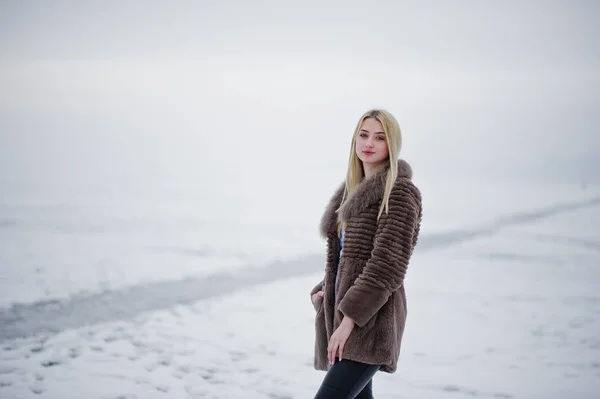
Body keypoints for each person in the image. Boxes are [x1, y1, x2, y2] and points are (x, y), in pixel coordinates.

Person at [309, 109, 423, 399]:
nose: (369, 142)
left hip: (370, 322)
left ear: (391, 145)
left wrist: (349, 320)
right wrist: (322, 291)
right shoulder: (350, 193)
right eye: (363, 134)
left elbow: (387, 267)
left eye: (379, 137)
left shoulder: (399, 192)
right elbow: (347, 258)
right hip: (346, 317)